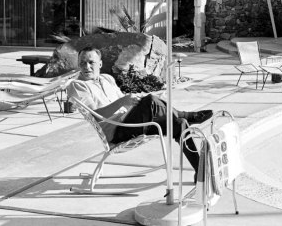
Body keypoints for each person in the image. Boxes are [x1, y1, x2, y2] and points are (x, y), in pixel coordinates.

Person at [66, 46, 212, 178]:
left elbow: (125, 101)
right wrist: (124, 101)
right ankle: (185, 114)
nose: (86, 67)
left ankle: (200, 173)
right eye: (82, 63)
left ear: (100, 64)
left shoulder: (107, 78)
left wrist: (138, 99)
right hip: (116, 131)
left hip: (130, 121)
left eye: (91, 62)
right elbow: (96, 116)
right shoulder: (78, 85)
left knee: (179, 123)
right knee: (151, 102)